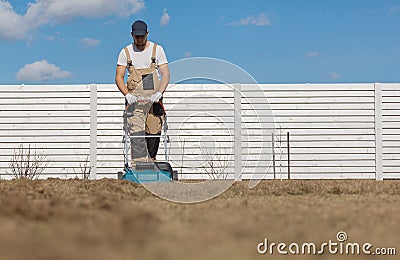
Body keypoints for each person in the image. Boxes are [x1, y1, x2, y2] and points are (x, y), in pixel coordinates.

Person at [115, 20, 170, 165]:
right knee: (136, 133)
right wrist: (127, 94)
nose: (139, 39)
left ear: (147, 34)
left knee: (154, 131)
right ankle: (138, 166)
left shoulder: (157, 50)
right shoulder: (125, 52)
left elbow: (165, 74)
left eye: (142, 36)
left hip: (154, 99)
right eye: (136, 36)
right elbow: (119, 77)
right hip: (135, 101)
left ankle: (151, 161)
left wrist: (160, 92)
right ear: (132, 35)